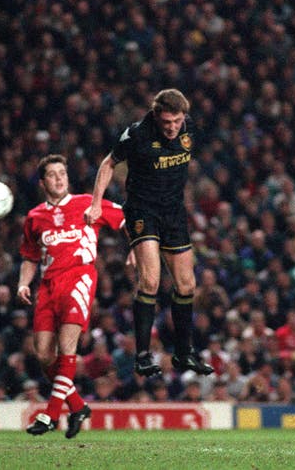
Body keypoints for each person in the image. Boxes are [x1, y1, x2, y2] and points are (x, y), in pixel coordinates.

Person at [84, 89, 213, 377]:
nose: (172, 127)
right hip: (143, 211)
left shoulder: (189, 128)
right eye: (167, 121)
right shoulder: (137, 134)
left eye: (177, 121)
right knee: (151, 280)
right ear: (156, 116)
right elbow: (108, 163)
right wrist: (95, 203)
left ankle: (183, 353)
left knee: (187, 285)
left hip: (174, 213)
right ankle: (142, 355)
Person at [18, 154, 125, 438]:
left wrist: (139, 253)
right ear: (43, 183)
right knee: (43, 354)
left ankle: (50, 414)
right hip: (47, 286)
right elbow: (29, 256)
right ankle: (77, 406)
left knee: (68, 349)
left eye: (62, 173)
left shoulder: (88, 204)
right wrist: (22, 284)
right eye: (52, 175)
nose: (59, 178)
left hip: (79, 277)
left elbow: (128, 219)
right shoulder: (34, 217)